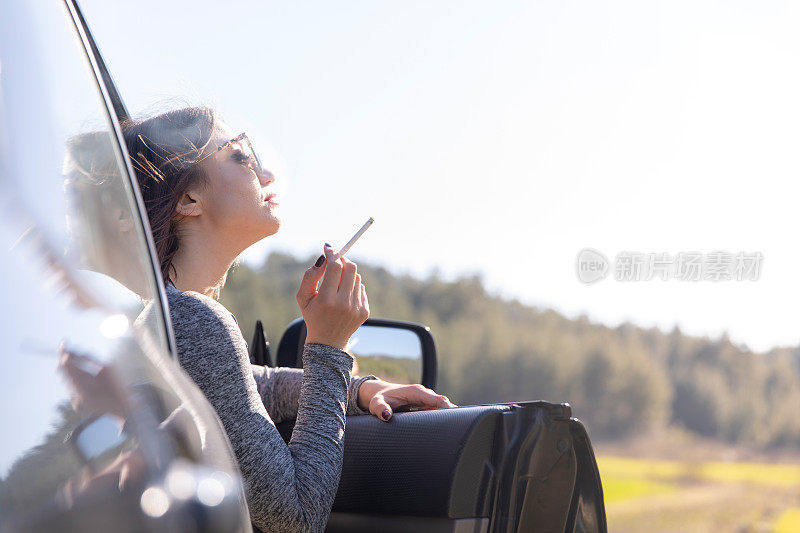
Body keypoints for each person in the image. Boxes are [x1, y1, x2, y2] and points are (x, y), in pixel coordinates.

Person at [120, 106, 455, 532]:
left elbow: (257, 384)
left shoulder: (162, 319)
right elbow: (295, 517)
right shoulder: (191, 320)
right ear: (188, 199)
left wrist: (362, 388)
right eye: (240, 156)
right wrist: (330, 349)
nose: (266, 175)